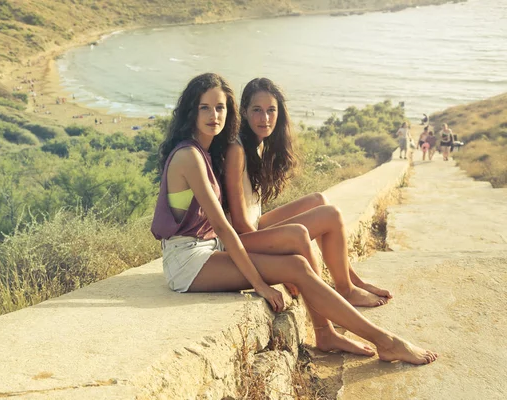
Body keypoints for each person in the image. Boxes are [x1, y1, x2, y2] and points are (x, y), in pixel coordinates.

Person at [151, 72, 438, 364]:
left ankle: (338, 327)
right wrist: (260, 285)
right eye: (205, 107)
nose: (214, 115)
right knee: (297, 255)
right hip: (187, 262)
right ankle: (383, 341)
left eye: (220, 107)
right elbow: (225, 227)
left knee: (298, 263)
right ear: (191, 110)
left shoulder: (206, 151)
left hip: (206, 250)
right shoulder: (190, 156)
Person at [224, 77, 391, 309]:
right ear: (244, 111)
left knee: (318, 200)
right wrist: (276, 255)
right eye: (257, 110)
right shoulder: (237, 150)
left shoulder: (258, 144)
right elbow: (240, 223)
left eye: (271, 110)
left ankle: (351, 280)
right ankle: (345, 290)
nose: (265, 118)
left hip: (255, 227)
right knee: (330, 215)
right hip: (241, 238)